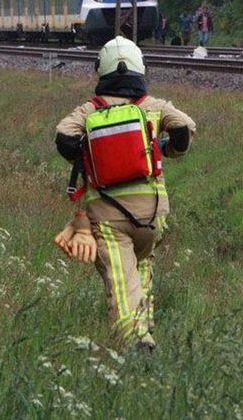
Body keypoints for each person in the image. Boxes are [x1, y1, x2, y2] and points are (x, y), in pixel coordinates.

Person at [52, 36, 197, 351]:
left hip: (107, 216)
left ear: (101, 69)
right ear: (140, 67)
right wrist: (166, 149)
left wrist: (90, 155)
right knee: (140, 266)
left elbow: (64, 137)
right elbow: (184, 129)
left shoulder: (90, 110)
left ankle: (134, 343)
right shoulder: (153, 107)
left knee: (120, 278)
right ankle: (144, 328)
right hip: (153, 216)